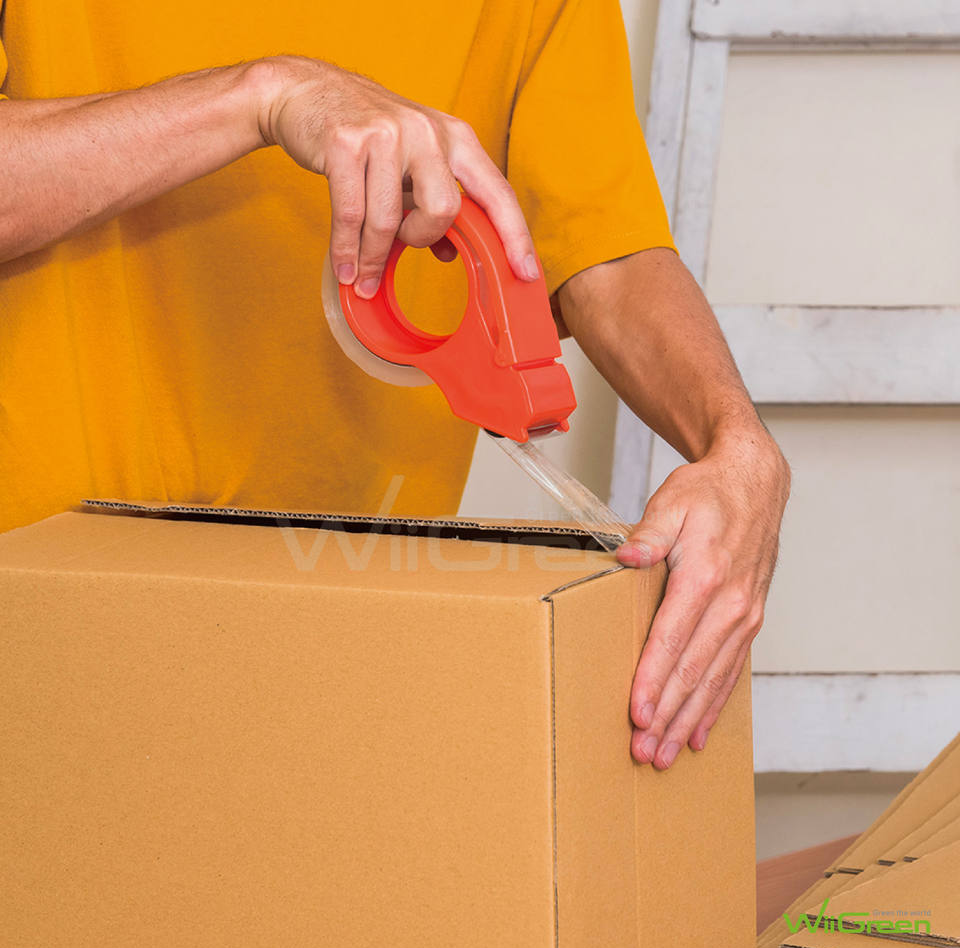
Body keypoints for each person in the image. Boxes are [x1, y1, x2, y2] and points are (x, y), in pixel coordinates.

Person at [0, 0, 789, 769]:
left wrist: (735, 440)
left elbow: (602, 249)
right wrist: (264, 96)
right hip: (32, 612)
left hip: (346, 623)